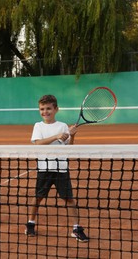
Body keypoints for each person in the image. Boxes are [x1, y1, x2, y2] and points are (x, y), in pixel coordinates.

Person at [25, 94, 88, 242]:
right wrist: (56, 137)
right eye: (42, 109)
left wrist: (72, 136)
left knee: (69, 199)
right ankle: (30, 224)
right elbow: (38, 143)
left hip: (61, 169)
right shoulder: (38, 126)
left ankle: (76, 228)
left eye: (48, 108)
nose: (45, 112)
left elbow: (69, 149)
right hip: (44, 169)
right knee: (38, 198)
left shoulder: (63, 126)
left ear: (56, 109)